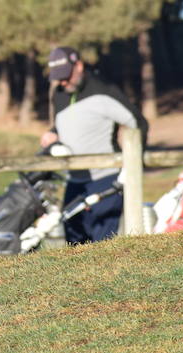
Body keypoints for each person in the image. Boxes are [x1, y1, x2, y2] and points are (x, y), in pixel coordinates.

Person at [40, 46, 146, 244]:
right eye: (58, 77)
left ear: (79, 65)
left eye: (66, 75)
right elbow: (64, 124)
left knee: (103, 245)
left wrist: (132, 167)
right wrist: (53, 134)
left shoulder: (103, 89)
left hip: (105, 178)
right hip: (75, 180)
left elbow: (137, 122)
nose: (63, 81)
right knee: (74, 241)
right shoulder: (59, 94)